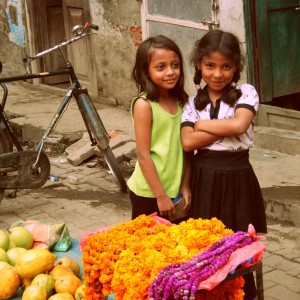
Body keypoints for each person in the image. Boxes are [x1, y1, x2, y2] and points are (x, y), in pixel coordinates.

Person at [180, 30, 267, 300]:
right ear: (199, 66)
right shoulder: (192, 102)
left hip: (238, 178)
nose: (217, 74)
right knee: (205, 244)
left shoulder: (246, 92)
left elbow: (240, 124)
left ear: (235, 67)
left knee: (238, 243)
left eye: (226, 66)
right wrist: (226, 128)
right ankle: (208, 294)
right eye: (210, 66)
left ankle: (242, 293)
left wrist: (202, 126)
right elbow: (186, 143)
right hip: (204, 178)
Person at [127, 35, 191, 223]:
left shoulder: (183, 102)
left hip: (177, 191)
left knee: (177, 247)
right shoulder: (144, 105)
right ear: (145, 71)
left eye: (175, 65)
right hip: (149, 193)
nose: (170, 72)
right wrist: (160, 195)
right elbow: (143, 154)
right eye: (160, 67)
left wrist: (185, 186)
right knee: (147, 248)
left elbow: (188, 150)